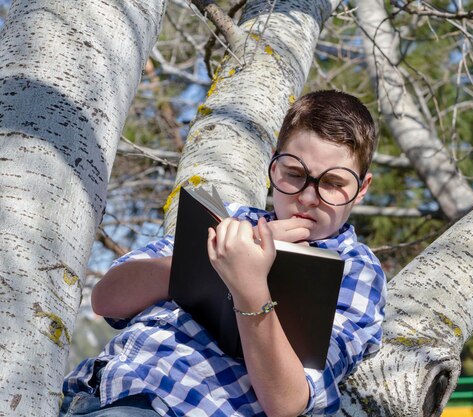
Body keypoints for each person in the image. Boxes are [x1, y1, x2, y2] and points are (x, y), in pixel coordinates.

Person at [61, 90, 387, 417]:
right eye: (295, 174)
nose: (308, 197)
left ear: (361, 188)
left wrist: (249, 287)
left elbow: (288, 404)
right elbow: (106, 299)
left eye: (332, 183)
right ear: (274, 168)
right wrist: (213, 258)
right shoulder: (227, 218)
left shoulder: (356, 271)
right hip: (97, 394)